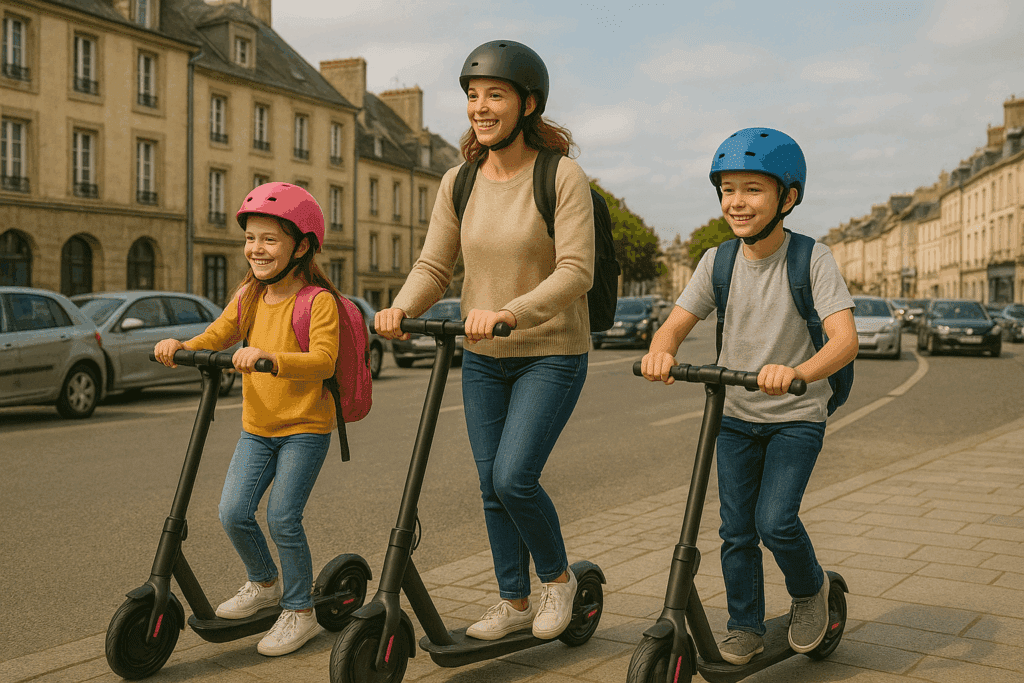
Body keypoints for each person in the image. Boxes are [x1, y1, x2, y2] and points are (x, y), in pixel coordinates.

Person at [374, 40, 594, 642]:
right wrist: (398, 308)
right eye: (473, 97)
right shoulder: (459, 180)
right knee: (489, 486)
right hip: (482, 358)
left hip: (550, 351)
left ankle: (557, 581)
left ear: (527, 104)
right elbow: (433, 266)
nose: (481, 107)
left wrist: (510, 313)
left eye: (495, 95)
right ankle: (513, 601)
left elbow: (576, 270)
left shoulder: (561, 175)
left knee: (513, 477)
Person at [640, 128, 857, 665]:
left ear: (787, 197)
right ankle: (745, 626)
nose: (736, 201)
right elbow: (675, 323)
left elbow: (845, 340)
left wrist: (799, 372)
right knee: (735, 530)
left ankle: (811, 593)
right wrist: (661, 351)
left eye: (753, 190)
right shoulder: (719, 261)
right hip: (735, 415)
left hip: (795, 417)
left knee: (775, 520)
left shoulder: (812, 259)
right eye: (727, 189)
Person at [153, 182, 342, 657]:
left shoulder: (317, 301)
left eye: (269, 239)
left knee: (282, 517)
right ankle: (265, 582)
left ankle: (300, 611)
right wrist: (184, 348)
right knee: (233, 512)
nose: (256, 249)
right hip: (257, 429)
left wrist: (271, 358)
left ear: (301, 246)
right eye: (251, 238)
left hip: (304, 428)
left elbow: (323, 361)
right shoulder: (249, 296)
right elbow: (217, 333)